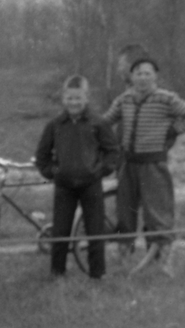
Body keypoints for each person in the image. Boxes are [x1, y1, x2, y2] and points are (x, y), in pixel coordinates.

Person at [102, 58, 185, 276]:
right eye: (138, 73)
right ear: (132, 77)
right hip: (128, 165)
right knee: (125, 211)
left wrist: (172, 130)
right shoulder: (124, 99)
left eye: (147, 73)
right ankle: (123, 257)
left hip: (153, 165)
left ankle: (164, 261)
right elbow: (105, 121)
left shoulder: (166, 99)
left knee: (158, 212)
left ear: (155, 76)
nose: (143, 78)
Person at [34, 75, 120, 280]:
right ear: (64, 99)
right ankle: (57, 274)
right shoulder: (55, 125)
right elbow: (42, 156)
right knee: (60, 232)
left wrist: (100, 171)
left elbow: (113, 152)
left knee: (95, 231)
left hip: (91, 185)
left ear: (86, 98)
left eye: (78, 98)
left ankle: (97, 275)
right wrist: (53, 172)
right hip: (64, 186)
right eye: (70, 98)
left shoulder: (98, 123)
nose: (74, 102)